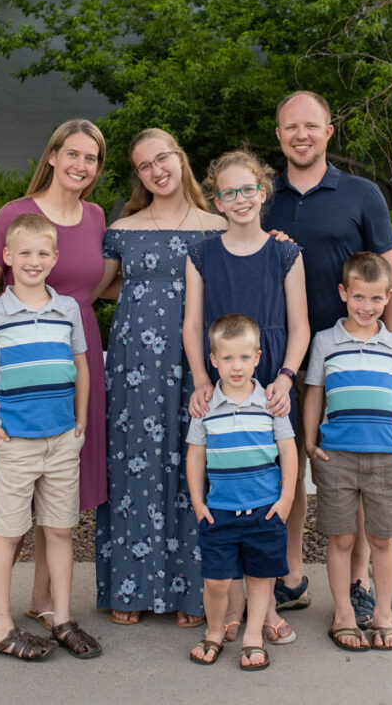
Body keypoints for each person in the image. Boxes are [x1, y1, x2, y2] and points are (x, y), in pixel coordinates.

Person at [264, 91, 392, 627]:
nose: (301, 134)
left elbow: (391, 277)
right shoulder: (262, 196)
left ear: (328, 131)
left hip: (351, 361)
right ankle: (291, 574)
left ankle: (359, 580)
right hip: (278, 358)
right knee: (291, 465)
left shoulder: (361, 194)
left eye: (311, 125)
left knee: (356, 464)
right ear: (278, 135)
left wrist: (388, 357)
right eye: (290, 126)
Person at [0, 118, 108, 634]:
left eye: (90, 158)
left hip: (76, 351)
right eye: (72, 154)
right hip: (21, 358)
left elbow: (104, 281)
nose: (80, 165)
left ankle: (45, 598)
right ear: (52, 156)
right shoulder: (15, 215)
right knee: (16, 478)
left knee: (60, 488)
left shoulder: (95, 217)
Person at [93, 128, 226, 626]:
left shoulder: (215, 226)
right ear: (139, 175)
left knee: (193, 463)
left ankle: (190, 593)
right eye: (145, 165)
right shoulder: (124, 227)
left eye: (163, 158)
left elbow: (245, 264)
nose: (157, 170)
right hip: (134, 365)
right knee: (136, 465)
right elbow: (96, 286)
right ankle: (130, 589)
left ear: (180, 158)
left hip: (195, 360)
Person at [183, 149, 310, 646]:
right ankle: (234, 605)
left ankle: (269, 601)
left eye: (248, 189)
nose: (240, 199)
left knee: (277, 475)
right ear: (217, 199)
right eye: (229, 192)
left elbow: (300, 325)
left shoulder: (285, 252)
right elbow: (192, 324)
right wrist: (200, 379)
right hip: (219, 370)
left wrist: (285, 375)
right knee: (226, 471)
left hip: (271, 369)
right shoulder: (201, 254)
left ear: (263, 193)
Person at [0, 213, 101, 660]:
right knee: (6, 532)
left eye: (42, 253)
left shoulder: (66, 309)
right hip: (16, 443)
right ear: (7, 257)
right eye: (24, 253)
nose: (33, 260)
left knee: (61, 530)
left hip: (63, 440)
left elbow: (82, 365)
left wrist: (81, 421)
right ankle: (0, 625)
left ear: (55, 258)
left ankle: (62, 617)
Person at [304, 252, 392, 651]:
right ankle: (343, 615)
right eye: (358, 297)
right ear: (343, 293)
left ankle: (383, 614)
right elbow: (314, 392)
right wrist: (309, 442)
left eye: (375, 299)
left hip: (386, 457)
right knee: (340, 539)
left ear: (388, 297)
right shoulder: (325, 342)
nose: (366, 307)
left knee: (383, 539)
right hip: (336, 457)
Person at [186, 314, 297, 671]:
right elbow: (195, 456)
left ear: (258, 357)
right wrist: (197, 502)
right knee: (217, 581)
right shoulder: (205, 408)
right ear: (214, 359)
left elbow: (289, 450)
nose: (237, 367)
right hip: (219, 511)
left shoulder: (270, 402)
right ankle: (215, 631)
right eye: (228, 358)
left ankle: (253, 637)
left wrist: (286, 499)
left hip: (265, 510)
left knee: (260, 578)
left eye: (245, 358)